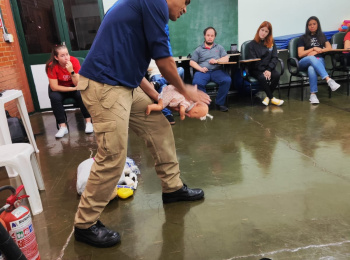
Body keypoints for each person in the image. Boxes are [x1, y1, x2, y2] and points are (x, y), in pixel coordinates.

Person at [73, 0, 210, 248]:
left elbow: (136, 70)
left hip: (126, 84)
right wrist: (186, 90)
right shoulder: (154, 2)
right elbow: (165, 61)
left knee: (158, 126)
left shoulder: (145, 6)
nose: (185, 9)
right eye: (186, 2)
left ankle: (173, 188)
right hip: (105, 85)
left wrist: (160, 97)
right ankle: (85, 224)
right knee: (113, 154)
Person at [45, 45, 93, 138]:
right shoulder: (51, 66)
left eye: (67, 54)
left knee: (81, 94)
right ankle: (63, 127)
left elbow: (77, 84)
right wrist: (72, 89)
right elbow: (54, 87)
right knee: (54, 97)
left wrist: (71, 72)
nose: (66, 57)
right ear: (56, 57)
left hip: (73, 86)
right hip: (60, 88)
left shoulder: (74, 61)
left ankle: (88, 122)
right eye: (62, 55)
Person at [298, 16, 340, 104]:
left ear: (318, 25)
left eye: (314, 24)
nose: (312, 26)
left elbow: (329, 48)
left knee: (311, 68)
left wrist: (319, 50)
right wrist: (313, 49)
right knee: (311, 57)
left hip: (319, 60)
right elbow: (300, 54)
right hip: (304, 61)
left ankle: (313, 95)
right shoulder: (302, 38)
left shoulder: (321, 36)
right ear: (307, 26)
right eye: (310, 25)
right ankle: (328, 80)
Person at [190, 26, 232, 112]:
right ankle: (205, 104)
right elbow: (192, 62)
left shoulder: (219, 47)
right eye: (208, 35)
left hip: (217, 71)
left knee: (227, 80)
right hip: (203, 72)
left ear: (214, 37)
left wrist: (217, 61)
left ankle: (220, 103)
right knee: (197, 82)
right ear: (204, 36)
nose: (210, 37)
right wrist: (200, 68)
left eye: (212, 35)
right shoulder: (199, 49)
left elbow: (226, 58)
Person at [248, 21, 284, 106]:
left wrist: (268, 70)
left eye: (266, 31)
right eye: (262, 30)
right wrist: (264, 71)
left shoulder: (271, 43)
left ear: (269, 33)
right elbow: (254, 61)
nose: (263, 33)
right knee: (262, 77)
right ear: (259, 30)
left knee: (276, 75)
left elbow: (275, 57)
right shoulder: (251, 44)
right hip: (256, 69)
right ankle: (272, 98)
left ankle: (268, 97)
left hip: (268, 69)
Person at [148, 59, 185, 124]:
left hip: (167, 73)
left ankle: (159, 83)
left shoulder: (162, 54)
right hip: (156, 75)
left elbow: (171, 65)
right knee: (164, 87)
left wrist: (166, 71)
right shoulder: (146, 57)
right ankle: (168, 114)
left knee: (181, 69)